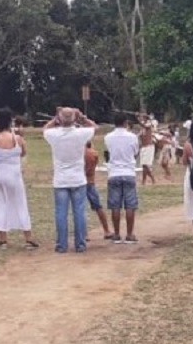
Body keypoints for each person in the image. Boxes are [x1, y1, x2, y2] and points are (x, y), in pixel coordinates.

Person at [43, 108, 97, 253]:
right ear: (74, 119)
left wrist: (55, 119)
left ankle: (62, 245)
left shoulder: (53, 134)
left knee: (61, 213)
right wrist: (82, 117)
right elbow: (94, 127)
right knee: (79, 212)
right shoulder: (81, 133)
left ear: (60, 119)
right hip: (78, 178)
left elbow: (45, 129)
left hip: (61, 179)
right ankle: (80, 244)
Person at [0, 109, 38, 249]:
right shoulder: (17, 138)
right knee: (20, 203)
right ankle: (28, 237)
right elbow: (23, 153)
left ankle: (3, 239)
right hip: (14, 174)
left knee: (0, 204)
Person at [105, 113, 141, 243]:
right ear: (126, 122)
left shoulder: (108, 137)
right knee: (130, 205)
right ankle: (130, 234)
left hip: (114, 172)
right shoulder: (132, 137)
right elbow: (136, 152)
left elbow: (109, 152)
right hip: (128, 172)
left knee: (115, 205)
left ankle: (116, 234)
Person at [84, 140, 113, 240]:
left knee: (81, 209)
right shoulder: (93, 153)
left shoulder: (78, 153)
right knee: (98, 207)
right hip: (90, 182)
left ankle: (84, 234)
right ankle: (107, 230)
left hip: (79, 183)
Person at [137, 114, 156, 185]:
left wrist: (137, 119)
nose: (141, 118)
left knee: (145, 165)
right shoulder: (142, 128)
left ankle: (152, 178)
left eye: (142, 117)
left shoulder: (149, 124)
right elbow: (139, 136)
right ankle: (144, 180)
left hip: (149, 147)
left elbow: (144, 126)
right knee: (143, 165)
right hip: (143, 147)